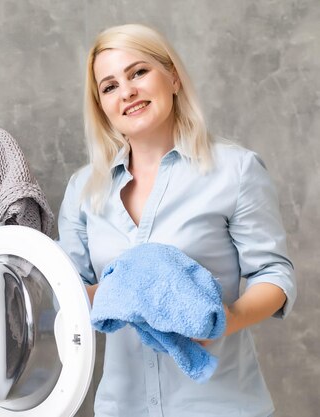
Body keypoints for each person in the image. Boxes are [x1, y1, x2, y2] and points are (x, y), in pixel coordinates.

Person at [57, 23, 296, 417]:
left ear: (173, 77)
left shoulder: (234, 171)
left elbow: (274, 275)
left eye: (138, 72)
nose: (128, 91)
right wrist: (128, 289)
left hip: (221, 405)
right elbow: (70, 291)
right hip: (123, 405)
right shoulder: (83, 189)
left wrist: (221, 323)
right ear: (101, 105)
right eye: (110, 86)